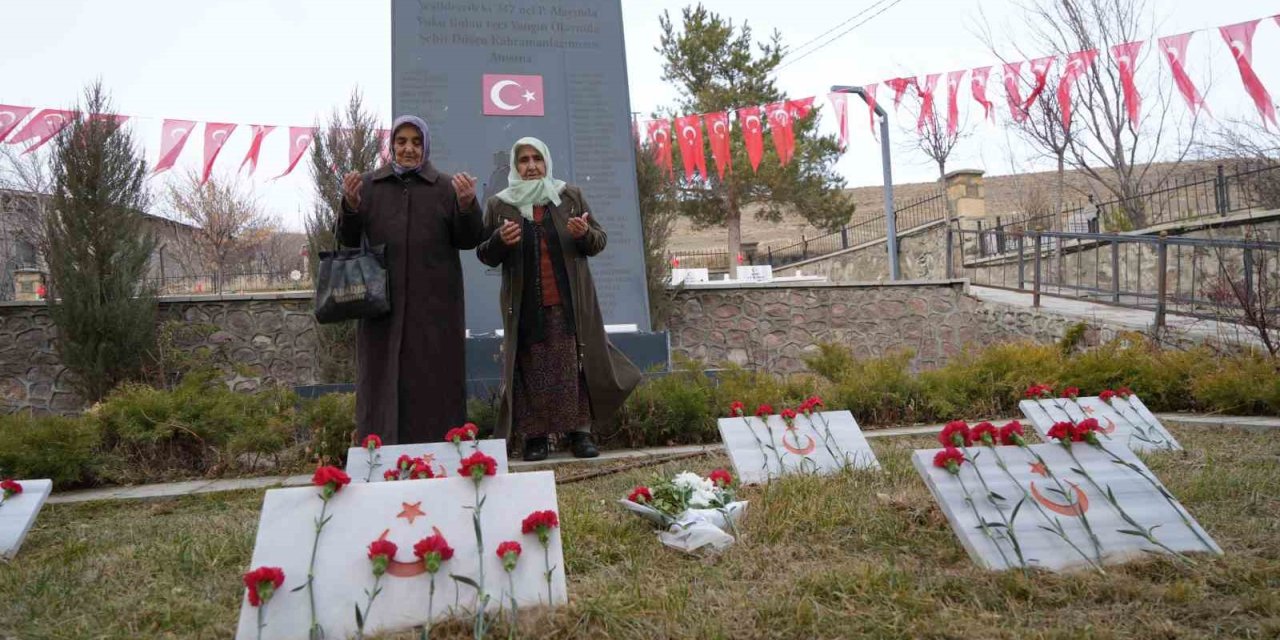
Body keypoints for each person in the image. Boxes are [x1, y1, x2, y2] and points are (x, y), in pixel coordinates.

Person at [476, 137, 641, 461]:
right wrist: (499, 241)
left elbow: (598, 241)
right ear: (515, 166)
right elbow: (485, 255)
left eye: (537, 158)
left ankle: (579, 434)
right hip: (524, 305)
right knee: (531, 369)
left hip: (569, 302)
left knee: (573, 368)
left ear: (547, 161)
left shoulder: (569, 196)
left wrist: (584, 234)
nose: (531, 165)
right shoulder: (500, 204)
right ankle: (536, 438)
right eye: (523, 160)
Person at [338, 115, 484, 444]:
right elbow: (347, 239)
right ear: (391, 146)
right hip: (381, 307)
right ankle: (382, 452)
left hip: (435, 307)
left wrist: (466, 205)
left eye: (416, 142)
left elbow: (469, 238)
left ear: (426, 146)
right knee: (381, 379)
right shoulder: (370, 186)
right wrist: (350, 206)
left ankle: (440, 452)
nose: (408, 148)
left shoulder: (445, 187)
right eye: (401, 141)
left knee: (434, 381)